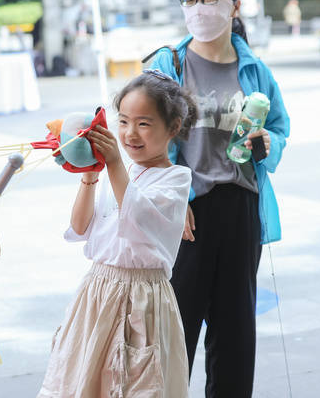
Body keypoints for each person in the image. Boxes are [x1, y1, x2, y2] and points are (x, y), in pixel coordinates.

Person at [148, 0, 290, 397]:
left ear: (234, 6)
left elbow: (280, 128)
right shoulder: (168, 63)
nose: (200, 8)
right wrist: (175, 200)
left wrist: (269, 142)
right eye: (191, 0)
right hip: (186, 211)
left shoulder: (255, 69)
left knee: (234, 332)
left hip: (241, 207)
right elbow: (143, 136)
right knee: (175, 331)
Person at [37, 70, 199, 397]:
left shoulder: (177, 179)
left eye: (143, 123)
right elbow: (81, 227)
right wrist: (89, 176)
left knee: (135, 381)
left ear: (173, 127)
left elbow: (139, 219)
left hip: (142, 299)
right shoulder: (120, 174)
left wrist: (112, 166)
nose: (129, 133)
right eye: (123, 121)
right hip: (97, 291)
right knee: (84, 382)